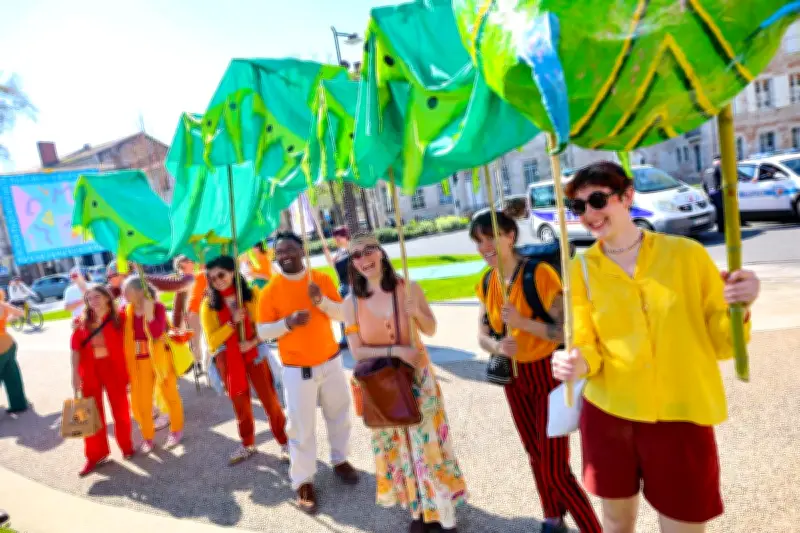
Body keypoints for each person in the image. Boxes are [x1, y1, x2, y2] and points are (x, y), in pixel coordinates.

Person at [551, 161, 761, 533]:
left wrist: (740, 308)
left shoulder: (687, 255)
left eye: (598, 200)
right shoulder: (580, 269)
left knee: (684, 524)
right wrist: (575, 363)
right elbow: (586, 345)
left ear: (627, 196)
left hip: (681, 413)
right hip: (609, 412)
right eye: (578, 208)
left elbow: (723, 344)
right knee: (616, 523)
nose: (590, 215)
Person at [470, 211, 600, 533]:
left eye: (490, 237)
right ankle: (552, 517)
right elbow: (482, 335)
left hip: (547, 375)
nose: (484, 246)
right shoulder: (487, 282)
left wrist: (523, 324)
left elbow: (565, 330)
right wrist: (498, 347)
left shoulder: (539, 274)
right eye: (478, 241)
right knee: (534, 454)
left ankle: (594, 529)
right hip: (514, 379)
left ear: (510, 236)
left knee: (555, 468)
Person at [343, 234, 466, 533]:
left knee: (428, 443)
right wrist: (396, 351)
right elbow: (356, 351)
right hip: (382, 383)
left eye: (369, 249)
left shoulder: (408, 288)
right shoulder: (351, 303)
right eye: (356, 254)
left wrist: (418, 312)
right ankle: (418, 510)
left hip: (419, 379)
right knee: (399, 446)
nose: (363, 258)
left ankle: (440, 508)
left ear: (381, 253)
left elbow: (431, 329)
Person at [257, 232, 358, 514]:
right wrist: (287, 323)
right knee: (300, 427)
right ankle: (303, 480)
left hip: (331, 362)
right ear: (276, 257)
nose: (285, 254)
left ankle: (340, 460)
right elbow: (262, 331)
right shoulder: (270, 291)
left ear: (302, 250)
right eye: (280, 251)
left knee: (339, 414)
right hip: (296, 369)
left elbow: (342, 314)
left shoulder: (321, 279)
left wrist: (321, 302)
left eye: (291, 248)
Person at [200, 255, 288, 465]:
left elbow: (265, 328)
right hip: (229, 359)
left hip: (254, 352)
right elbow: (212, 341)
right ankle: (248, 444)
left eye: (221, 274)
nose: (218, 280)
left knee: (270, 400)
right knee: (241, 405)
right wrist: (231, 323)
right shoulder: (208, 305)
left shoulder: (250, 296)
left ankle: (285, 442)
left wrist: (252, 342)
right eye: (212, 278)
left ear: (233, 272)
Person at [70, 285, 134, 476]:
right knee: (89, 413)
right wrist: (74, 375)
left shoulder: (120, 318)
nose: (93, 301)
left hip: (114, 369)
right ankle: (93, 455)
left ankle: (127, 447)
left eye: (97, 297)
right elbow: (75, 349)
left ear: (107, 298)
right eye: (89, 298)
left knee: (121, 411)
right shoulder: (81, 321)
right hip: (89, 370)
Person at [121, 276, 185, 453]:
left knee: (170, 395)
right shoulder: (126, 311)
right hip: (139, 362)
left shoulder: (157, 307)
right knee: (143, 404)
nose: (123, 294)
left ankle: (176, 430)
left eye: (127, 291)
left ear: (139, 291)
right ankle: (147, 438)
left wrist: (149, 313)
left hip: (160, 359)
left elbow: (156, 332)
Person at [0, 289, 28, 414]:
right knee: (12, 376)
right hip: (8, 343)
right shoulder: (3, 306)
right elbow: (20, 313)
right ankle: (18, 404)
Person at [332, 226, 351, 348]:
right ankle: (345, 337)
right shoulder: (339, 253)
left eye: (339, 236)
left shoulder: (352, 250)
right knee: (342, 313)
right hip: (342, 286)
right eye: (335, 237)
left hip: (352, 286)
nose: (337, 239)